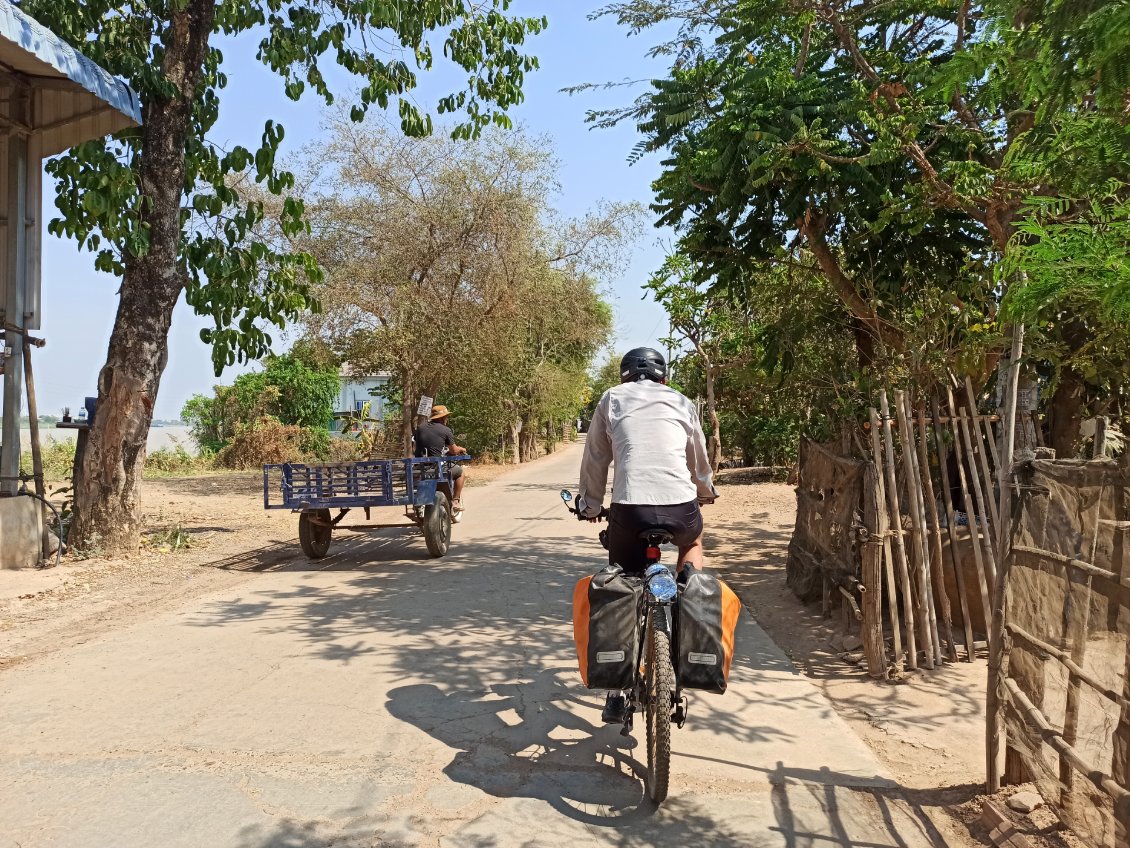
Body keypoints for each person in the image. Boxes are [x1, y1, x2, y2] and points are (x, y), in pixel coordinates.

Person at [576, 347, 718, 723]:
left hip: (630, 509)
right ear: (663, 378)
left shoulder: (612, 398)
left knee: (622, 577)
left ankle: (615, 691)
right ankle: (691, 598)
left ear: (624, 376)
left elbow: (595, 457)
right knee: (692, 542)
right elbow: (697, 456)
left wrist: (590, 506)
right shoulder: (683, 401)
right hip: (680, 508)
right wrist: (705, 491)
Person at [413, 404, 468, 516]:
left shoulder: (420, 428)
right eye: (446, 417)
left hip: (419, 466)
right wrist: (461, 449)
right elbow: (453, 450)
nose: (447, 419)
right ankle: (455, 501)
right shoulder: (445, 430)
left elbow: (416, 446)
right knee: (461, 473)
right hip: (436, 467)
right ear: (442, 418)